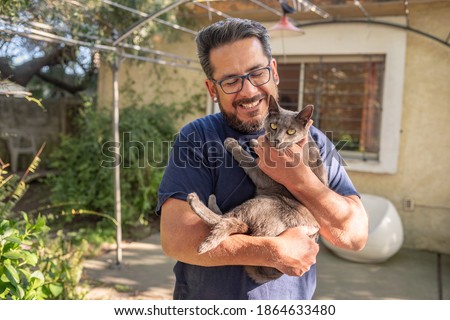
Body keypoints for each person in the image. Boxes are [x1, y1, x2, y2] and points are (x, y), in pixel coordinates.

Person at [157, 18, 368, 300]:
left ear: (274, 71)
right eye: (231, 81)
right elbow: (176, 240)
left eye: (257, 73)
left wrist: (300, 181)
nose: (248, 91)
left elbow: (354, 237)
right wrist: (271, 250)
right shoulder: (197, 138)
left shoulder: (314, 139)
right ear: (212, 89)